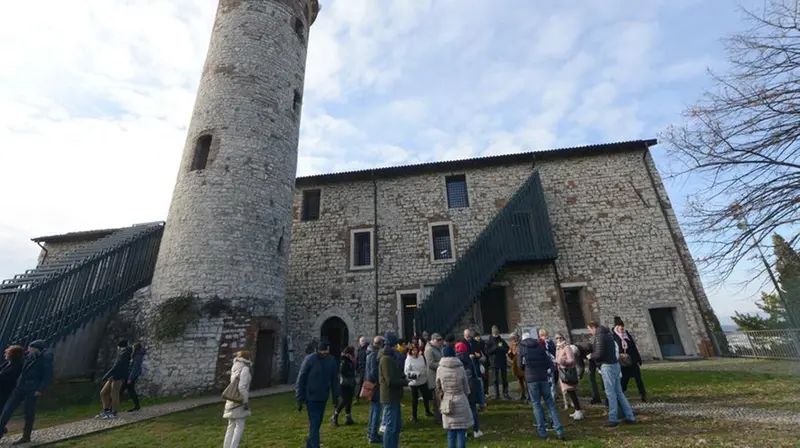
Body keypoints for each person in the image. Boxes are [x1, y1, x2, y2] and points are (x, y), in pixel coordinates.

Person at [0, 340, 54, 445]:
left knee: (29, 412)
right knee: (7, 410)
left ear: (36, 349)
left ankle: (26, 436)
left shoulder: (45, 359)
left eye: (31, 348)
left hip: (32, 389)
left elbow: (47, 376)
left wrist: (40, 389)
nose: (28, 349)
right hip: (20, 388)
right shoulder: (28, 358)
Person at [587, 321, 636, 427]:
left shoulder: (599, 337)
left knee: (611, 393)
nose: (589, 331)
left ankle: (613, 418)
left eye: (589, 329)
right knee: (619, 393)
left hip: (607, 366)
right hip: (615, 365)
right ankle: (630, 416)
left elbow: (599, 354)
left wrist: (591, 356)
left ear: (593, 327)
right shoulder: (608, 335)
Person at [518, 333, 565, 441]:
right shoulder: (539, 345)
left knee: (536, 404)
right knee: (550, 404)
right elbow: (548, 363)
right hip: (543, 377)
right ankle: (559, 430)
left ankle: (542, 432)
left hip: (531, 379)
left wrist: (526, 368)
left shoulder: (522, 347)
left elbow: (520, 365)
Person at [296, 338, 340, 448]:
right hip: (311, 396)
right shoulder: (310, 359)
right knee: (315, 422)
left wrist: (335, 396)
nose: (324, 354)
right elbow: (301, 378)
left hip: (323, 396)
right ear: (318, 350)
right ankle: (315, 445)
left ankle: (310, 444)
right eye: (322, 352)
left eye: (326, 352)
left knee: (317, 423)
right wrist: (299, 397)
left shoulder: (331, 360)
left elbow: (334, 379)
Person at [436, 343, 473, 448]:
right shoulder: (460, 368)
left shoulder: (440, 369)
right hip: (460, 398)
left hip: (447, 401)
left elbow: (438, 386)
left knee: (451, 432)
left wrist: (441, 397)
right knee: (461, 432)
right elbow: (466, 386)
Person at [379, 332, 408, 448]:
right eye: (396, 345)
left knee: (396, 426)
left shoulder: (391, 357)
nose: (397, 347)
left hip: (395, 395)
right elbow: (390, 380)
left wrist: (404, 376)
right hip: (389, 396)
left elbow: (395, 374)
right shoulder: (386, 359)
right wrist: (406, 382)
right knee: (390, 427)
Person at [613, 317, 647, 402]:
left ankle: (643, 394)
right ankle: (620, 395)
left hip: (632, 359)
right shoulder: (613, 336)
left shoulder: (626, 334)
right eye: (620, 327)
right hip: (622, 361)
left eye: (622, 327)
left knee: (638, 378)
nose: (622, 329)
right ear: (616, 327)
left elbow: (633, 346)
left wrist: (638, 359)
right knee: (624, 379)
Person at [222, 350, 252, 448]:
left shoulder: (234, 367)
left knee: (230, 426)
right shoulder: (245, 369)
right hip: (239, 400)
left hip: (231, 398)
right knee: (239, 425)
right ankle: (234, 446)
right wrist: (245, 401)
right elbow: (242, 387)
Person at [97, 340, 132, 420]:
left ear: (119, 347)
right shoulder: (122, 353)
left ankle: (114, 412)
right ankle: (106, 410)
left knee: (114, 395)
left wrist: (106, 376)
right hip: (113, 376)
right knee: (103, 393)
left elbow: (116, 366)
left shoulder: (124, 354)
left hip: (117, 377)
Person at [455, 342, 483, 439]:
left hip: (460, 387)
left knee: (461, 411)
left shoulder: (455, 361)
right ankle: (476, 430)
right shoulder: (469, 359)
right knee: (473, 409)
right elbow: (474, 374)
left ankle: (464, 431)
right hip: (471, 385)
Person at [554, 333, 583, 420]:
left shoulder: (567, 347)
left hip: (568, 373)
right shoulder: (558, 348)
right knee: (569, 392)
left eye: (560, 337)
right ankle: (576, 411)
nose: (558, 339)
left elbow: (572, 361)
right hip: (562, 373)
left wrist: (563, 362)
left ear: (563, 338)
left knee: (572, 391)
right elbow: (558, 359)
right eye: (556, 338)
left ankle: (579, 411)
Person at [404, 344, 432, 423]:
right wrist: (415, 374)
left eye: (416, 350)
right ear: (411, 351)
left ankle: (427, 411)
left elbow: (424, 367)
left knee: (426, 397)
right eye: (413, 350)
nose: (415, 352)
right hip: (414, 382)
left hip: (423, 380)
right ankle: (414, 416)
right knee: (414, 399)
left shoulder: (421, 357)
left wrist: (425, 375)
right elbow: (407, 371)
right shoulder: (408, 359)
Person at [365, 336, 384, 444]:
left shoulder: (371, 353)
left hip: (372, 384)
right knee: (376, 410)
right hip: (375, 385)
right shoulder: (374, 354)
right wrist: (379, 380)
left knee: (374, 409)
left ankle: (371, 432)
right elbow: (373, 372)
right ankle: (373, 434)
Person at [332, 345, 356, 426]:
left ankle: (348, 418)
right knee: (344, 400)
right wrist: (351, 373)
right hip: (344, 383)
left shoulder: (350, 360)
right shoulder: (344, 360)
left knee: (349, 401)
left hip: (350, 383)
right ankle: (335, 416)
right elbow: (342, 371)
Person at [486, 326, 510, 400]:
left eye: (497, 333)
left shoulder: (501, 340)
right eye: (495, 333)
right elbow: (487, 351)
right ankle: (497, 394)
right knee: (495, 379)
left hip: (502, 361)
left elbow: (507, 349)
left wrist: (502, 348)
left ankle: (505, 393)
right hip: (494, 362)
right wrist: (495, 348)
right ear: (492, 333)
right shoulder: (489, 341)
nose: (496, 335)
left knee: (504, 378)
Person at [120, 342, 145, 412]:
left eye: (133, 347)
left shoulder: (138, 356)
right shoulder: (136, 355)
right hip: (130, 374)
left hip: (131, 375)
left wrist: (130, 378)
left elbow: (135, 368)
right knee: (131, 390)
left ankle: (112, 406)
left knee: (122, 390)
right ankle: (137, 406)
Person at [424, 333, 443, 423]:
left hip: (439, 376)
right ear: (433, 340)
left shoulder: (438, 348)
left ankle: (441, 416)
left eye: (440, 340)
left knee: (440, 398)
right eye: (438, 340)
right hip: (434, 378)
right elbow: (431, 364)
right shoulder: (429, 350)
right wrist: (442, 363)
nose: (440, 342)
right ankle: (438, 418)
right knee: (436, 399)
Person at [0, 346, 24, 413]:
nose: (5, 354)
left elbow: (12, 379)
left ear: (13, 354)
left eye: (7, 353)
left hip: (6, 391)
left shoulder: (17, 365)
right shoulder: (7, 363)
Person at [538, 329, 558, 403]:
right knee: (546, 382)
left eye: (542, 335)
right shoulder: (541, 343)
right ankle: (548, 397)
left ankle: (552, 398)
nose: (541, 337)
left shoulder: (549, 343)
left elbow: (552, 353)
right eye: (540, 336)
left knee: (551, 381)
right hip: (544, 365)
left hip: (550, 364)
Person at [507, 333, 527, 401]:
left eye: (514, 338)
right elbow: (511, 355)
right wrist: (510, 354)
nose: (513, 340)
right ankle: (523, 394)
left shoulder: (521, 344)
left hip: (522, 364)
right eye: (512, 339)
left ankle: (530, 395)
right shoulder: (512, 345)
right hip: (515, 364)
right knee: (520, 380)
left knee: (526, 380)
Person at [355, 336, 369, 405]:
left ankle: (367, 397)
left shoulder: (368, 349)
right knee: (360, 383)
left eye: (364, 340)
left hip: (367, 368)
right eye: (362, 341)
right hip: (361, 369)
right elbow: (357, 359)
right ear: (359, 342)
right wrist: (356, 368)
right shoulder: (359, 349)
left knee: (367, 383)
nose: (363, 342)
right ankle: (357, 398)